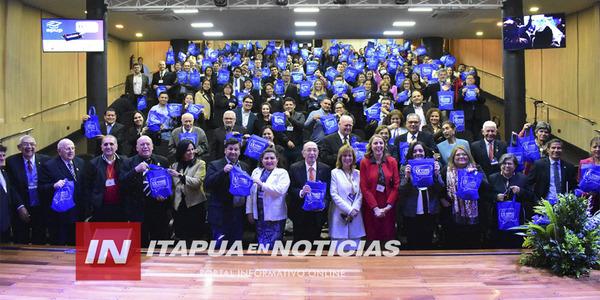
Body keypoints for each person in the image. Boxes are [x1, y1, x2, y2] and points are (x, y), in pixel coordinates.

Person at [119, 135, 169, 247]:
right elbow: (122, 184)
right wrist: (135, 170)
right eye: (142, 144)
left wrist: (164, 195)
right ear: (137, 148)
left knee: (158, 244)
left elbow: (168, 184)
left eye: (148, 144)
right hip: (137, 210)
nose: (145, 147)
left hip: (157, 209)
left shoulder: (162, 161)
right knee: (139, 245)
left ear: (152, 147)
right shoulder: (128, 162)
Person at [440, 145, 491, 249]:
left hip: (474, 216)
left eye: (464, 154)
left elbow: (487, 188)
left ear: (469, 157)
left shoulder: (477, 168)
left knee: (472, 244)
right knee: (453, 244)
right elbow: (439, 188)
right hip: (453, 214)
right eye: (458, 155)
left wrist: (475, 175)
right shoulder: (446, 170)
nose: (461, 157)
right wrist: (442, 199)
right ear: (453, 158)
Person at [4, 135, 51, 244]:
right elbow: (11, 187)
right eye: (25, 144)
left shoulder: (45, 160)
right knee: (21, 240)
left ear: (36, 146)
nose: (29, 147)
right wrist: (20, 206)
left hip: (40, 208)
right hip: (21, 207)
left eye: (32, 144)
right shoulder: (11, 162)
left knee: (40, 240)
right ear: (19, 147)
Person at [205, 138, 251, 248]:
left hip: (238, 214)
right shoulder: (215, 165)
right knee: (218, 248)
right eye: (230, 149)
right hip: (221, 214)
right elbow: (207, 184)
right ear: (225, 150)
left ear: (240, 152)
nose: (233, 152)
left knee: (235, 248)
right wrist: (223, 171)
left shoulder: (245, 166)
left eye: (236, 149)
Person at [399, 141, 444, 250]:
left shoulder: (432, 166)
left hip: (430, 210)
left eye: (420, 150)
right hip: (411, 211)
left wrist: (437, 175)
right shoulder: (404, 168)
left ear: (425, 153)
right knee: (412, 243)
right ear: (410, 153)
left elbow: (441, 187)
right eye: (414, 151)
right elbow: (401, 190)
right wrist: (407, 177)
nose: (418, 153)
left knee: (427, 243)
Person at [39, 139, 84, 245]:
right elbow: (41, 188)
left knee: (75, 246)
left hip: (77, 213)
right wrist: (53, 186)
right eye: (67, 148)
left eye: (73, 148)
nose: (71, 151)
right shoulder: (49, 166)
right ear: (59, 151)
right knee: (59, 246)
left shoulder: (80, 162)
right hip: (59, 217)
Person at [246, 148, 290, 249]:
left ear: (277, 160)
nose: (269, 161)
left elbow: (279, 191)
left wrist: (262, 184)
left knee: (272, 247)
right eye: (266, 158)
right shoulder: (256, 172)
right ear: (261, 160)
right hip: (259, 215)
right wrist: (249, 211)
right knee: (261, 245)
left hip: (275, 216)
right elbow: (250, 193)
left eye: (272, 158)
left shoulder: (282, 173)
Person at [488, 153, 535, 248]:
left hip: (517, 218)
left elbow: (531, 196)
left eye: (510, 164)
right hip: (498, 218)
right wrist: (495, 197)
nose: (506, 166)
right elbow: (486, 195)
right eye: (504, 163)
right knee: (499, 243)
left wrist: (520, 191)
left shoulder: (522, 179)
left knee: (516, 244)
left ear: (515, 166)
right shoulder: (493, 178)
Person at [288, 142, 331, 243]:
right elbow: (290, 189)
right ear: (303, 153)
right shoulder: (294, 168)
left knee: (315, 245)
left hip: (318, 214)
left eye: (314, 150)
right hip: (300, 213)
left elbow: (328, 192)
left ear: (318, 152)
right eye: (309, 150)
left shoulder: (325, 169)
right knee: (298, 246)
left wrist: (323, 204)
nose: (312, 153)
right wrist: (301, 192)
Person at [359, 134, 399, 241]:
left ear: (384, 145)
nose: (378, 146)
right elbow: (364, 187)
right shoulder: (364, 162)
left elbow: (396, 186)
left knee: (388, 236)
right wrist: (375, 208)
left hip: (388, 205)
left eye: (381, 143)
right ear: (371, 146)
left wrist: (388, 206)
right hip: (371, 206)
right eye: (375, 143)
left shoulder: (392, 161)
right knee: (372, 237)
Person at [166, 140, 207, 244]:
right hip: (179, 205)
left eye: (192, 149)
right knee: (181, 235)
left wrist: (180, 176)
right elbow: (172, 186)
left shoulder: (200, 164)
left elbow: (197, 182)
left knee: (195, 236)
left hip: (195, 205)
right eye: (188, 150)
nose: (191, 152)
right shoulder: (174, 166)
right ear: (181, 152)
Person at [82, 135, 126, 222]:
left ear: (116, 147)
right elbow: (87, 186)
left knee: (119, 234)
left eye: (111, 144)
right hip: (100, 207)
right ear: (101, 147)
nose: (108, 147)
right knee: (102, 234)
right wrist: (91, 204)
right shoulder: (93, 163)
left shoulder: (124, 161)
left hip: (120, 206)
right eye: (105, 144)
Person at [329, 145, 365, 250]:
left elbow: (361, 193)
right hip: (340, 215)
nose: (347, 158)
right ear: (340, 158)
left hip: (355, 215)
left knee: (355, 253)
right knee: (338, 255)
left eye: (350, 155)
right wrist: (349, 210)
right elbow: (334, 194)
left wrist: (355, 210)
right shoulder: (334, 173)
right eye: (344, 155)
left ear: (354, 158)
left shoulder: (358, 173)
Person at [527, 138, 577, 204]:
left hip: (563, 205)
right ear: (548, 150)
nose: (556, 150)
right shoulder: (539, 165)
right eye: (553, 148)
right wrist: (535, 199)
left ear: (562, 150)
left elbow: (573, 186)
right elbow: (527, 183)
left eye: (559, 148)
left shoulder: (569, 167)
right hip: (544, 204)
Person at [0, 145, 18, 243]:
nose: (2, 158)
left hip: (5, 224)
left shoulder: (4, 172)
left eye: (3, 155)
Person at [577, 137, 600, 213]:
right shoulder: (584, 163)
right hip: (588, 200)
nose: (597, 149)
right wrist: (586, 193)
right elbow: (579, 182)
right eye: (594, 147)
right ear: (590, 148)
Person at [282, 97, 305, 164]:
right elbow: (279, 131)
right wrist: (287, 141)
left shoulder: (300, 115)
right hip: (285, 147)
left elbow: (301, 126)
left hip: (298, 147)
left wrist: (290, 118)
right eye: (286, 105)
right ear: (283, 106)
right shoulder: (280, 116)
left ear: (294, 106)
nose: (288, 106)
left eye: (290, 104)